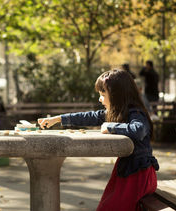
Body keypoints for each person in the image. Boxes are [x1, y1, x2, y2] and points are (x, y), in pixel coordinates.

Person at [38, 69, 159, 211]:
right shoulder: (119, 111)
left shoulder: (135, 112)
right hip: (127, 171)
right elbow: (89, 116)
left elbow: (138, 130)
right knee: (106, 206)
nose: (100, 99)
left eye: (102, 95)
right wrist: (57, 119)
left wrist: (111, 126)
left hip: (138, 175)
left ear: (117, 95)